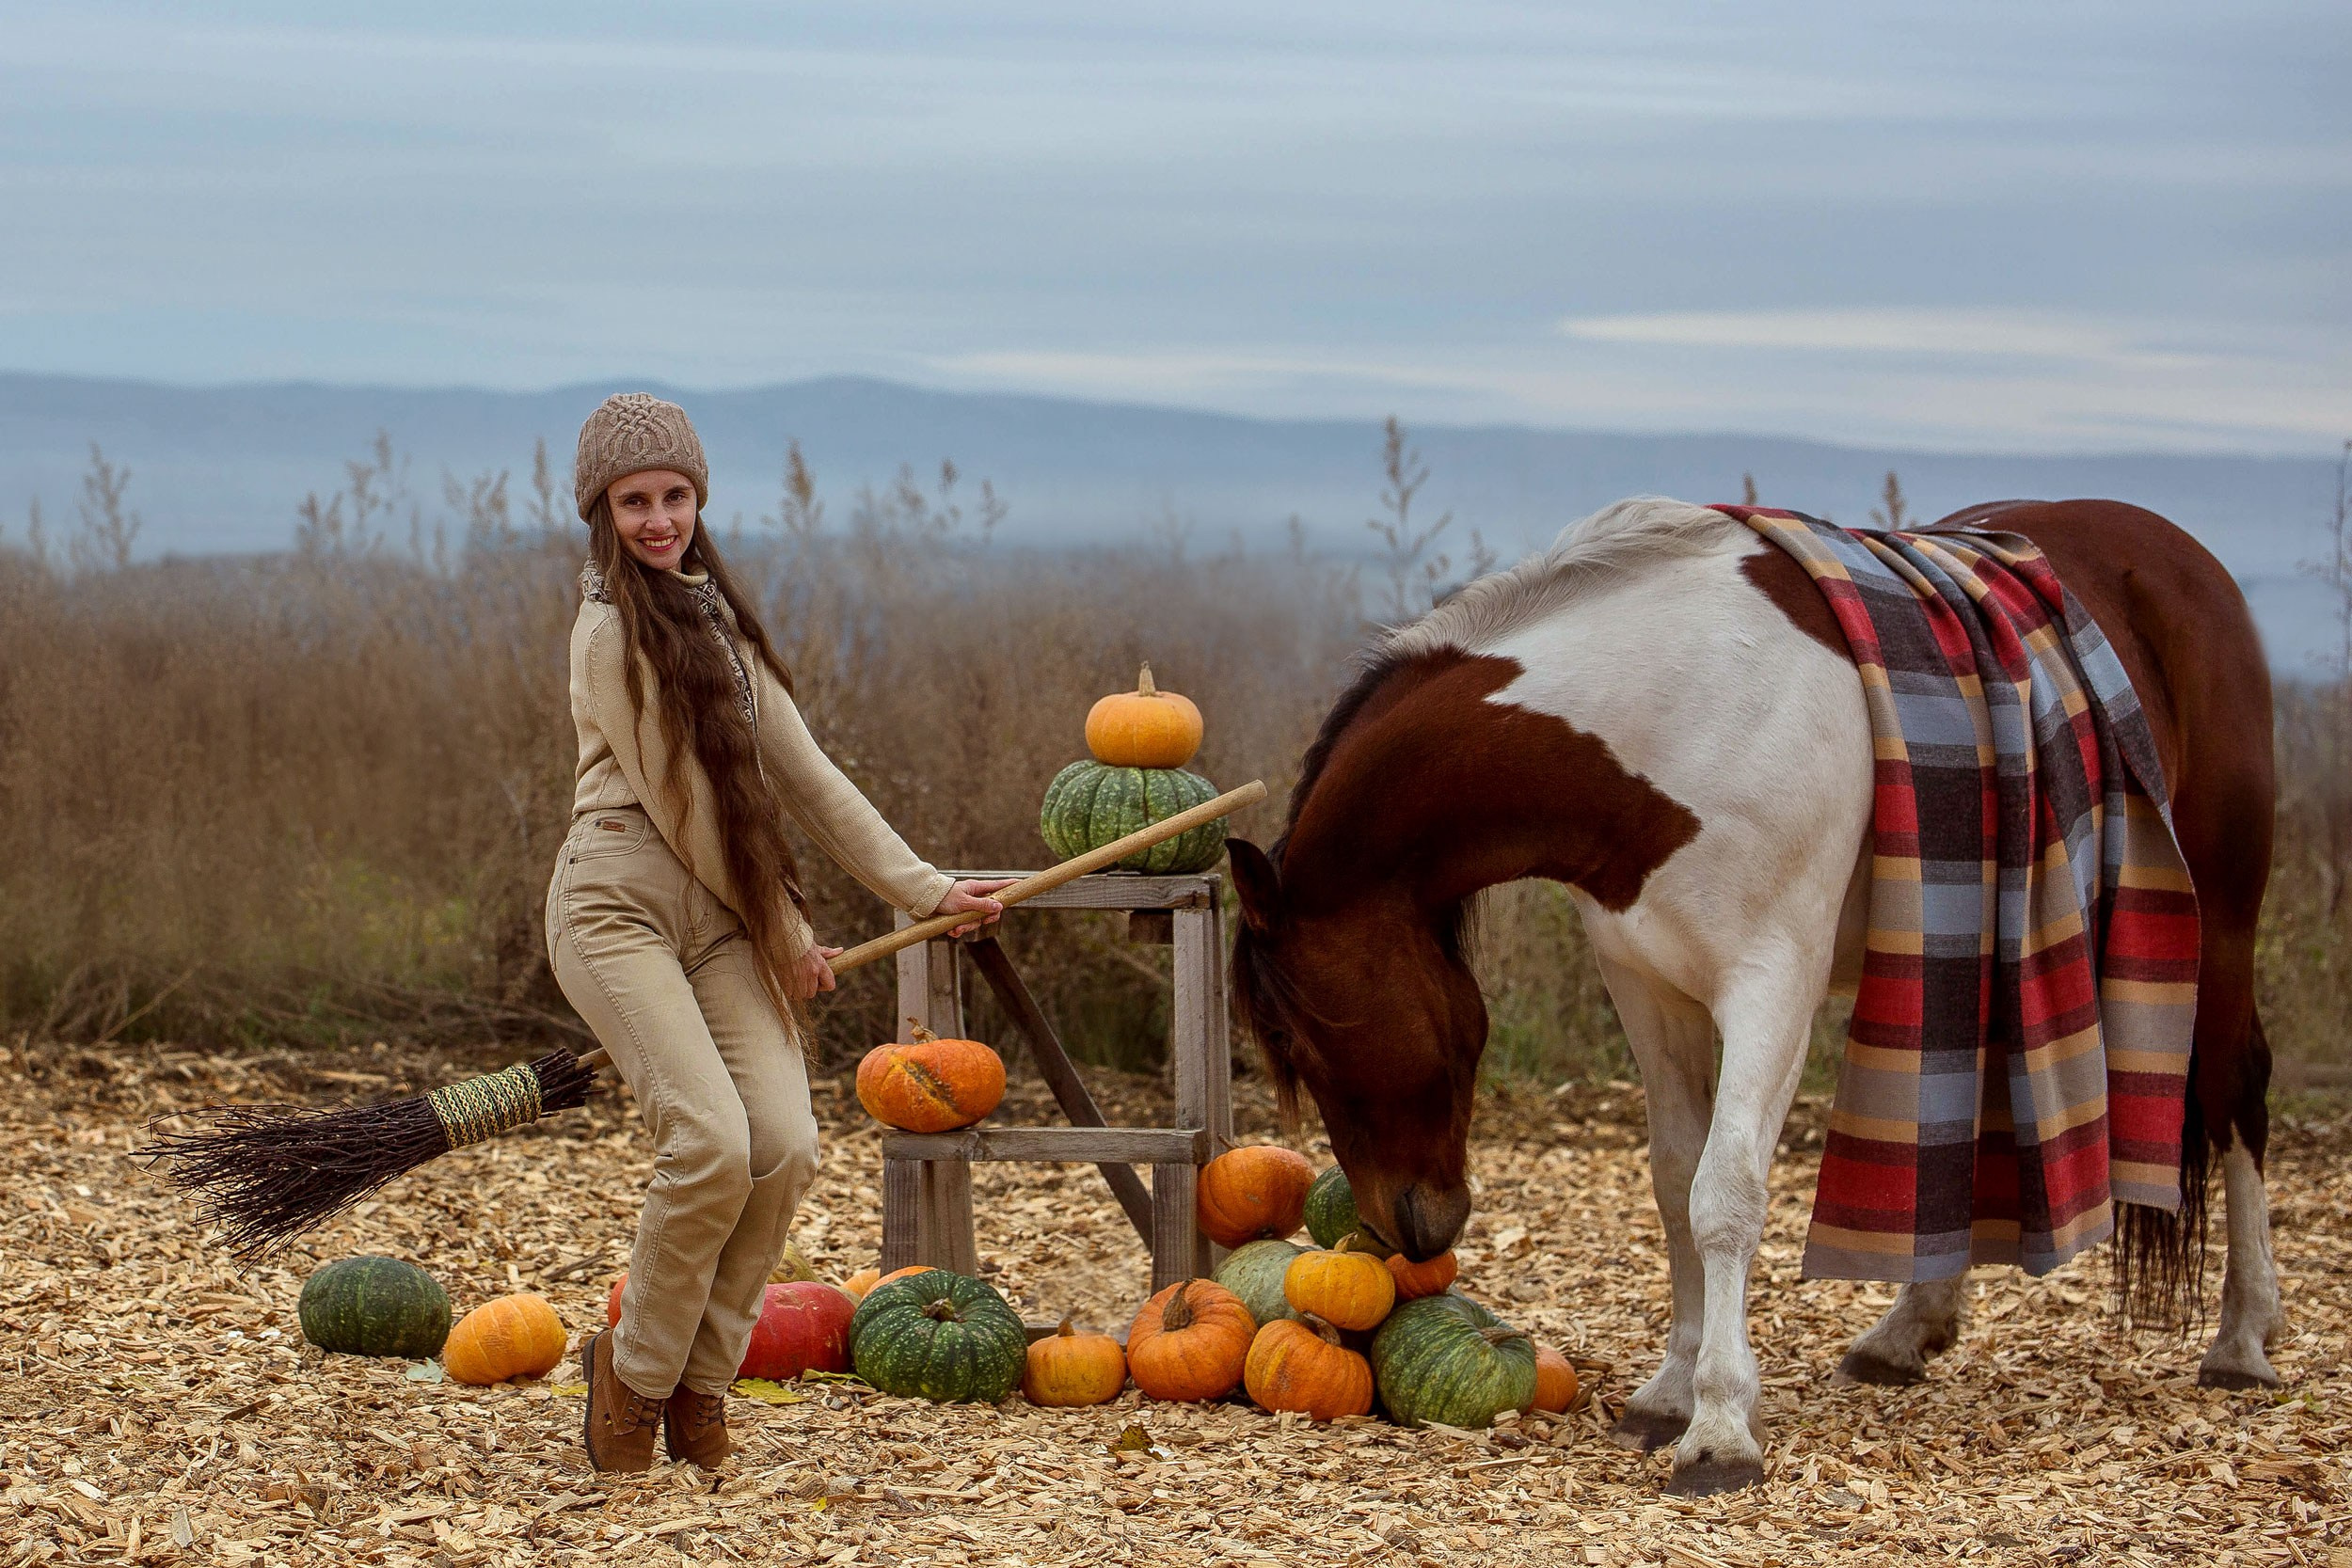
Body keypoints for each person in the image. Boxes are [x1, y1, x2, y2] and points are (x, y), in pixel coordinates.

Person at [548, 393, 1008, 1471]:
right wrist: (787, 923)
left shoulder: (719, 623)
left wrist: (926, 887)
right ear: (601, 514)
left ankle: (699, 1381)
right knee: (707, 1139)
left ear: (697, 497)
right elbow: (686, 802)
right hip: (616, 904)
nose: (657, 519)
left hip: (719, 915)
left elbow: (807, 776)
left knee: (785, 1144)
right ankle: (635, 1376)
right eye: (632, 502)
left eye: (672, 495)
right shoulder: (608, 630)